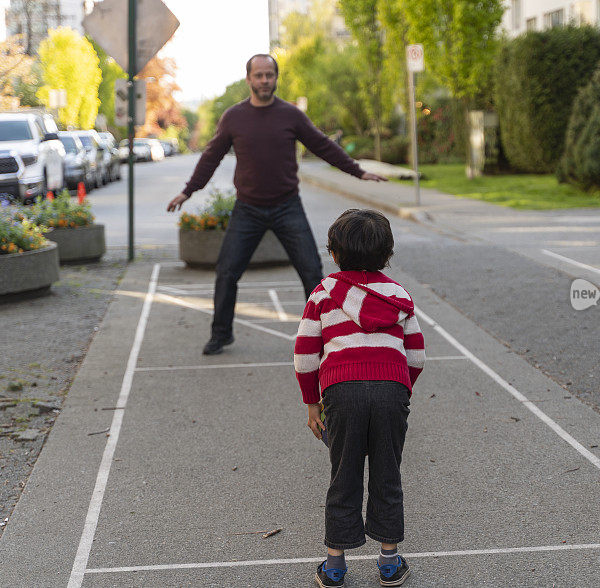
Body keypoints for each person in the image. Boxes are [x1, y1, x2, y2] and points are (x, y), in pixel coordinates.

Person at [167, 54, 386, 355]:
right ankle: (221, 334)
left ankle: (327, 334)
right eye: (258, 75)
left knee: (311, 272)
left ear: (276, 78)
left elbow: (321, 145)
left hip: (287, 206)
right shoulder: (233, 117)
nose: (264, 80)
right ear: (249, 79)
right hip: (248, 208)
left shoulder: (291, 115)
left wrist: (357, 171)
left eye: (269, 75)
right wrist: (188, 191)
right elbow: (211, 156)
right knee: (227, 272)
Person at [294, 209, 425, 588]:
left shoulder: (322, 293)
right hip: (390, 390)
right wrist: (401, 387)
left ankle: (335, 565)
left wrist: (311, 403)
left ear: (334, 253)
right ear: (387, 254)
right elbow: (416, 355)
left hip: (341, 391)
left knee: (344, 474)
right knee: (387, 474)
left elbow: (305, 355)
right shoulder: (399, 296)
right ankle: (389, 561)